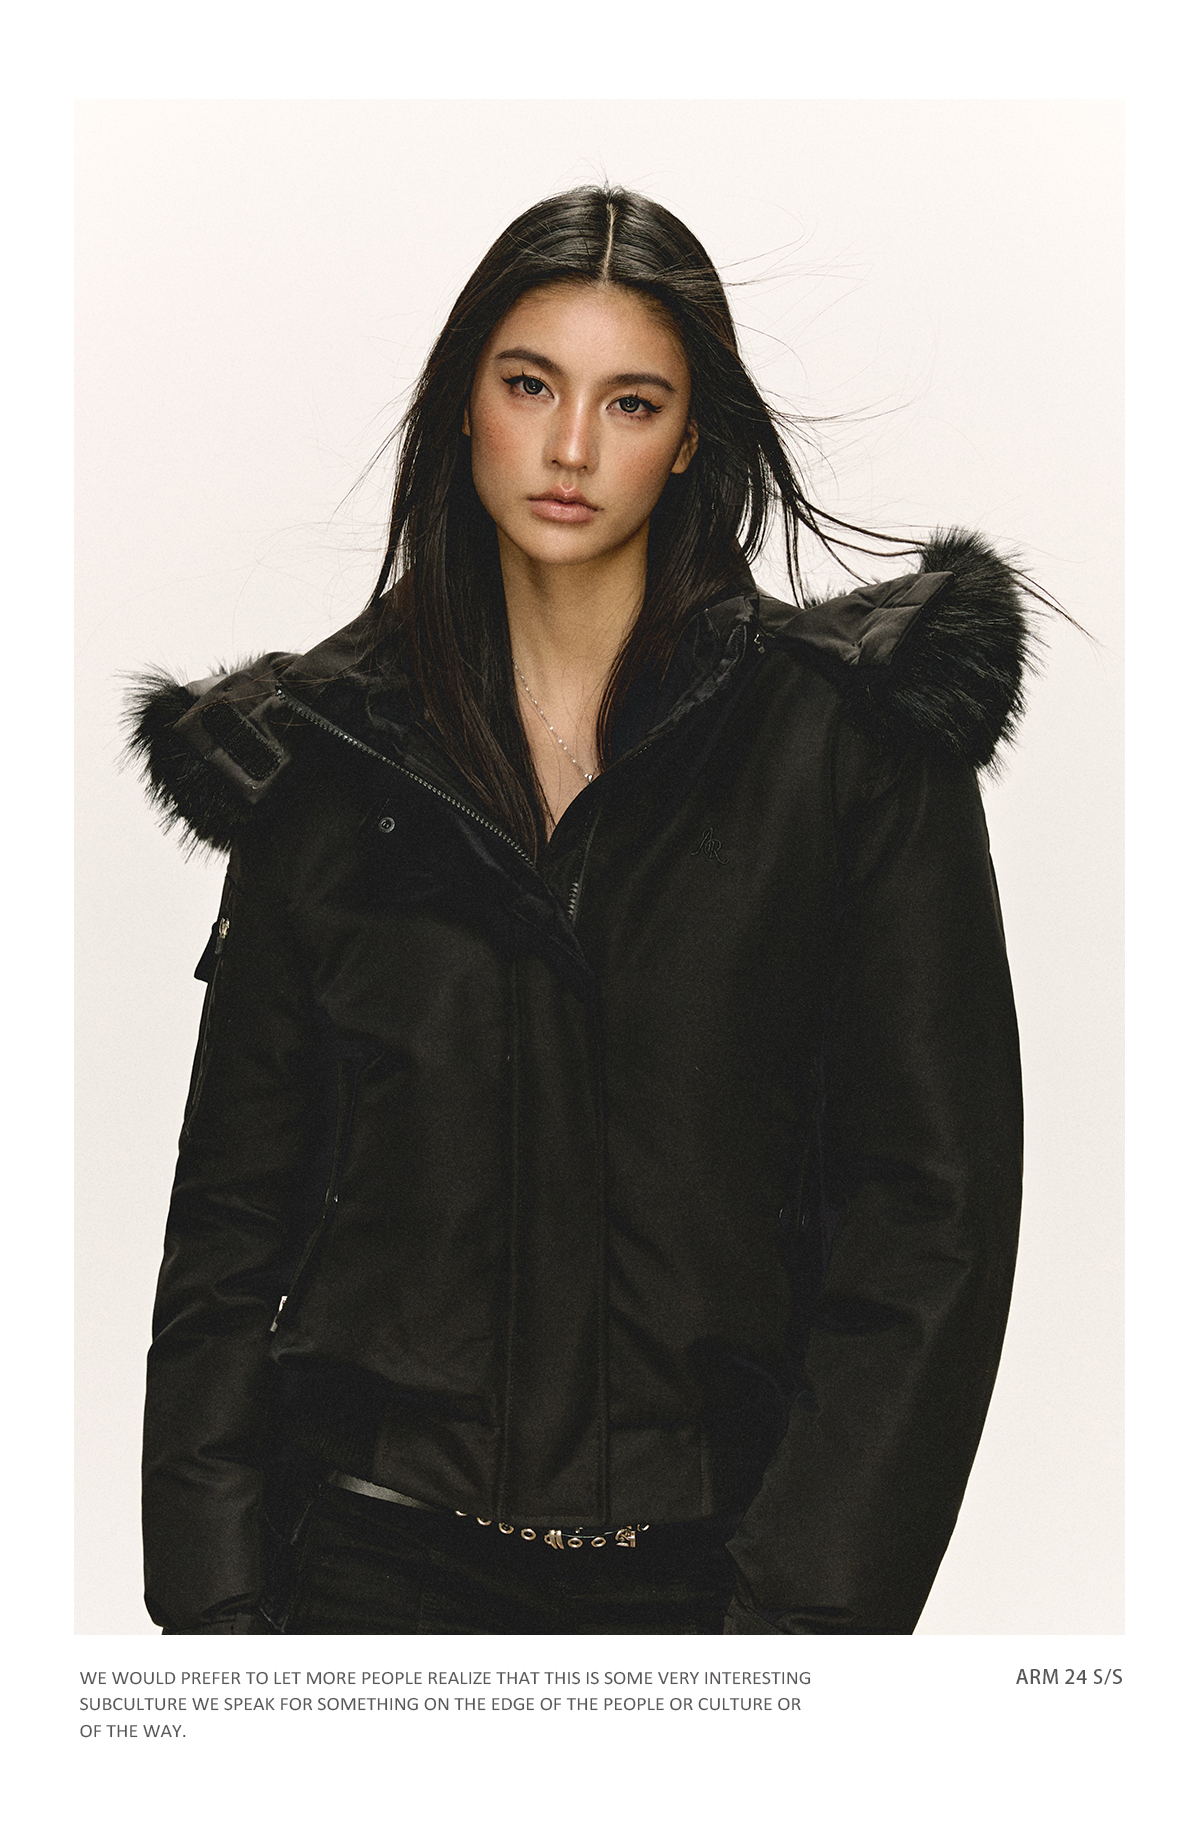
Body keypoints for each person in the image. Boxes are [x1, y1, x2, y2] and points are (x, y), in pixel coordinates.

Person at [129, 185, 1030, 1636]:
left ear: (692, 438)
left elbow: (930, 1224)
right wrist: (215, 1611)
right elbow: (229, 1230)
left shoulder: (846, 757)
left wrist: (805, 1632)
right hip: (357, 1579)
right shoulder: (330, 765)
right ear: (463, 404)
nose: (570, 449)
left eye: (631, 402)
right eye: (531, 384)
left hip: (714, 1585)